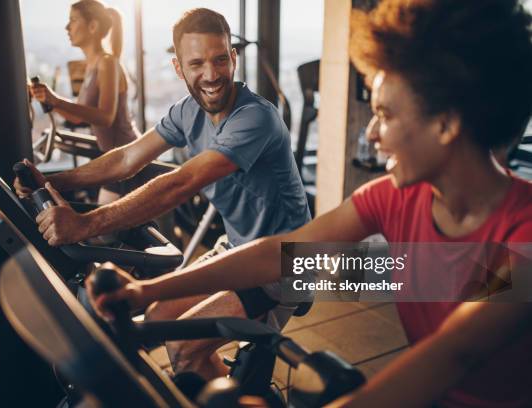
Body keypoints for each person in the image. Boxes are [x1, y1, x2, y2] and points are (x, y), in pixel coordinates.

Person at [88, 0, 532, 406]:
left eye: (387, 115)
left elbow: (456, 352)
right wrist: (146, 291)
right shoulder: (393, 202)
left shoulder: (525, 236)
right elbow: (285, 256)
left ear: (446, 124)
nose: (372, 133)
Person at [16, 8, 311, 380]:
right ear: (178, 67)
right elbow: (126, 159)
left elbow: (181, 183)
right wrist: (55, 184)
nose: (212, 74)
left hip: (288, 263)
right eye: (197, 63)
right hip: (238, 249)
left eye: (221, 59)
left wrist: (85, 224)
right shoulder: (187, 112)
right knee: (158, 317)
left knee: (184, 348)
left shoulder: (257, 117)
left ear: (233, 58)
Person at [30, 0, 139, 203]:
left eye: (72, 20)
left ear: (93, 26)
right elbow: (79, 116)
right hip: (112, 158)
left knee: (105, 231)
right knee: (108, 231)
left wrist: (56, 99)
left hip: (127, 157)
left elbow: (106, 117)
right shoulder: (91, 65)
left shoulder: (107, 63)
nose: (67, 27)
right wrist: (49, 100)